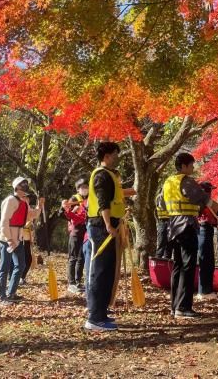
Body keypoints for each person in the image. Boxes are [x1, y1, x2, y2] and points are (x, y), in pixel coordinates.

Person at [163, 153, 218, 319]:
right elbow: (205, 200)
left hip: (172, 227)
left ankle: (175, 306)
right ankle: (183, 308)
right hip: (186, 226)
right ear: (185, 166)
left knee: (178, 266)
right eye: (192, 165)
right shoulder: (186, 181)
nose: (193, 168)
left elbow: (160, 202)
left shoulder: (168, 182)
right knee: (188, 266)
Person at [85, 141, 136, 332]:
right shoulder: (101, 175)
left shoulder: (111, 176)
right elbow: (102, 201)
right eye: (115, 153)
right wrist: (108, 224)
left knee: (108, 270)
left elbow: (113, 198)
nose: (117, 157)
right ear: (106, 155)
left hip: (112, 225)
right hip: (101, 227)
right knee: (99, 270)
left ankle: (102, 312)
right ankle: (94, 317)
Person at [0, 177, 43, 306]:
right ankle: (2, 297)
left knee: (20, 265)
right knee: (4, 268)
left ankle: (11, 293)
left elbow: (31, 215)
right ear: (16, 187)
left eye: (26, 184)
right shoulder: (10, 200)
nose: (25, 186)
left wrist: (40, 205)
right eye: (23, 184)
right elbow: (4, 221)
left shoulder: (24, 202)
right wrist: (9, 239)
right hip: (8, 239)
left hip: (19, 238)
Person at [63, 178, 89, 294]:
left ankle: (78, 281)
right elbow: (67, 214)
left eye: (86, 187)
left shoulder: (89, 198)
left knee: (81, 257)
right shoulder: (74, 199)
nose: (85, 189)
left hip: (86, 231)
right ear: (78, 189)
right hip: (76, 231)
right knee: (73, 257)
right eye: (82, 187)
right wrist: (72, 210)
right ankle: (71, 283)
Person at [196, 181, 218, 300]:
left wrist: (217, 220)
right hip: (202, 230)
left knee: (210, 262)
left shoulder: (208, 202)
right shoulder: (201, 201)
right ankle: (202, 291)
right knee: (205, 260)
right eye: (210, 190)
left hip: (208, 230)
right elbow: (200, 217)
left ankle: (208, 290)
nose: (211, 193)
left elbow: (212, 217)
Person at [155, 191, 171, 259]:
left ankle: (167, 261)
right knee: (162, 242)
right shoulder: (161, 196)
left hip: (171, 221)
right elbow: (163, 206)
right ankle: (158, 259)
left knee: (169, 244)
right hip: (163, 221)